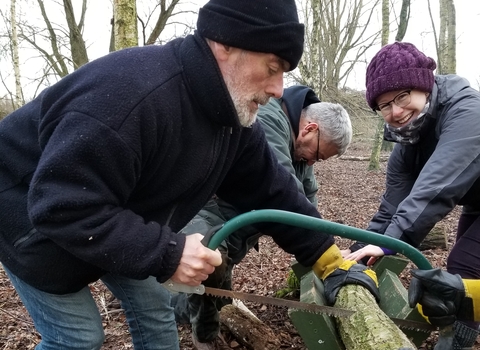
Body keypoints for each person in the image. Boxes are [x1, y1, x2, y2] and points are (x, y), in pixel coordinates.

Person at [0, 0, 379, 349]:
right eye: (272, 68)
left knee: (156, 312)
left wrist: (330, 261)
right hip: (28, 222)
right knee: (79, 339)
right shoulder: (131, 98)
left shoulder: (231, 117)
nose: (278, 90)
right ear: (226, 45)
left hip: (113, 219)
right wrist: (167, 252)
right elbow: (60, 206)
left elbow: (272, 189)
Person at [171, 84, 353, 349]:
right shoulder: (269, 120)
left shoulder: (300, 147)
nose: (313, 163)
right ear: (310, 129)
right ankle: (202, 336)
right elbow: (282, 192)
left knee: (218, 293)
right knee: (206, 266)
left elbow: (307, 201)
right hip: (206, 213)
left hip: (232, 226)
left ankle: (215, 326)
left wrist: (326, 247)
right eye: (318, 155)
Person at [341, 41, 480, 349]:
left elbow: (433, 190)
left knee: (465, 265)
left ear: (423, 85)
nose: (396, 111)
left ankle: (457, 341)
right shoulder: (408, 143)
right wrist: (358, 252)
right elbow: (392, 208)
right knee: (464, 273)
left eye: (402, 96)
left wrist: (387, 246)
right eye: (384, 105)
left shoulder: (468, 112)